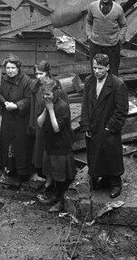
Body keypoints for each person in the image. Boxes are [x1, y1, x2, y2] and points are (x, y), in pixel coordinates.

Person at [79, 53, 128, 198]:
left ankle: (115, 183)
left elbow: (121, 110)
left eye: (100, 68)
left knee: (111, 156)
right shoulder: (89, 81)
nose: (96, 71)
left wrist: (110, 128)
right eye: (94, 68)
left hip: (108, 127)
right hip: (93, 126)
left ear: (107, 67)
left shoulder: (117, 84)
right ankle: (102, 179)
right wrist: (86, 125)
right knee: (96, 155)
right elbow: (85, 105)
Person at [37, 76, 76, 212]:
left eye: (48, 94)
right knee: (52, 172)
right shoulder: (46, 103)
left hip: (61, 145)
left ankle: (61, 201)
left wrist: (51, 110)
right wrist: (46, 109)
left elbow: (56, 128)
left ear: (56, 93)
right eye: (43, 94)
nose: (45, 97)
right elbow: (40, 123)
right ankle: (54, 196)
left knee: (60, 175)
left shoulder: (63, 106)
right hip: (50, 144)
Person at [29, 60, 66, 196]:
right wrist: (32, 124)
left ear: (48, 72)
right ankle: (48, 180)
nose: (38, 76)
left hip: (53, 122)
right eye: (36, 74)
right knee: (42, 152)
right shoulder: (36, 86)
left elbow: (63, 104)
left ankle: (56, 183)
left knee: (53, 152)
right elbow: (33, 106)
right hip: (41, 122)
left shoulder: (56, 85)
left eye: (41, 73)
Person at [0, 55, 34, 183]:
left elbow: (29, 99)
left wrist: (17, 105)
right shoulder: (5, 79)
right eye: (8, 68)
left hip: (20, 119)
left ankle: (23, 172)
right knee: (7, 143)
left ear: (18, 68)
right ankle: (8, 168)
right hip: (7, 117)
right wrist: (5, 102)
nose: (10, 70)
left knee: (21, 144)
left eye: (13, 68)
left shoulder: (26, 81)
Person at [84, 0, 127, 76]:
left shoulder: (118, 9)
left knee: (113, 72)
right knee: (95, 72)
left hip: (112, 46)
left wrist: (120, 38)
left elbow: (123, 25)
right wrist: (89, 35)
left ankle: (112, 90)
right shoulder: (93, 6)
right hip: (95, 45)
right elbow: (88, 22)